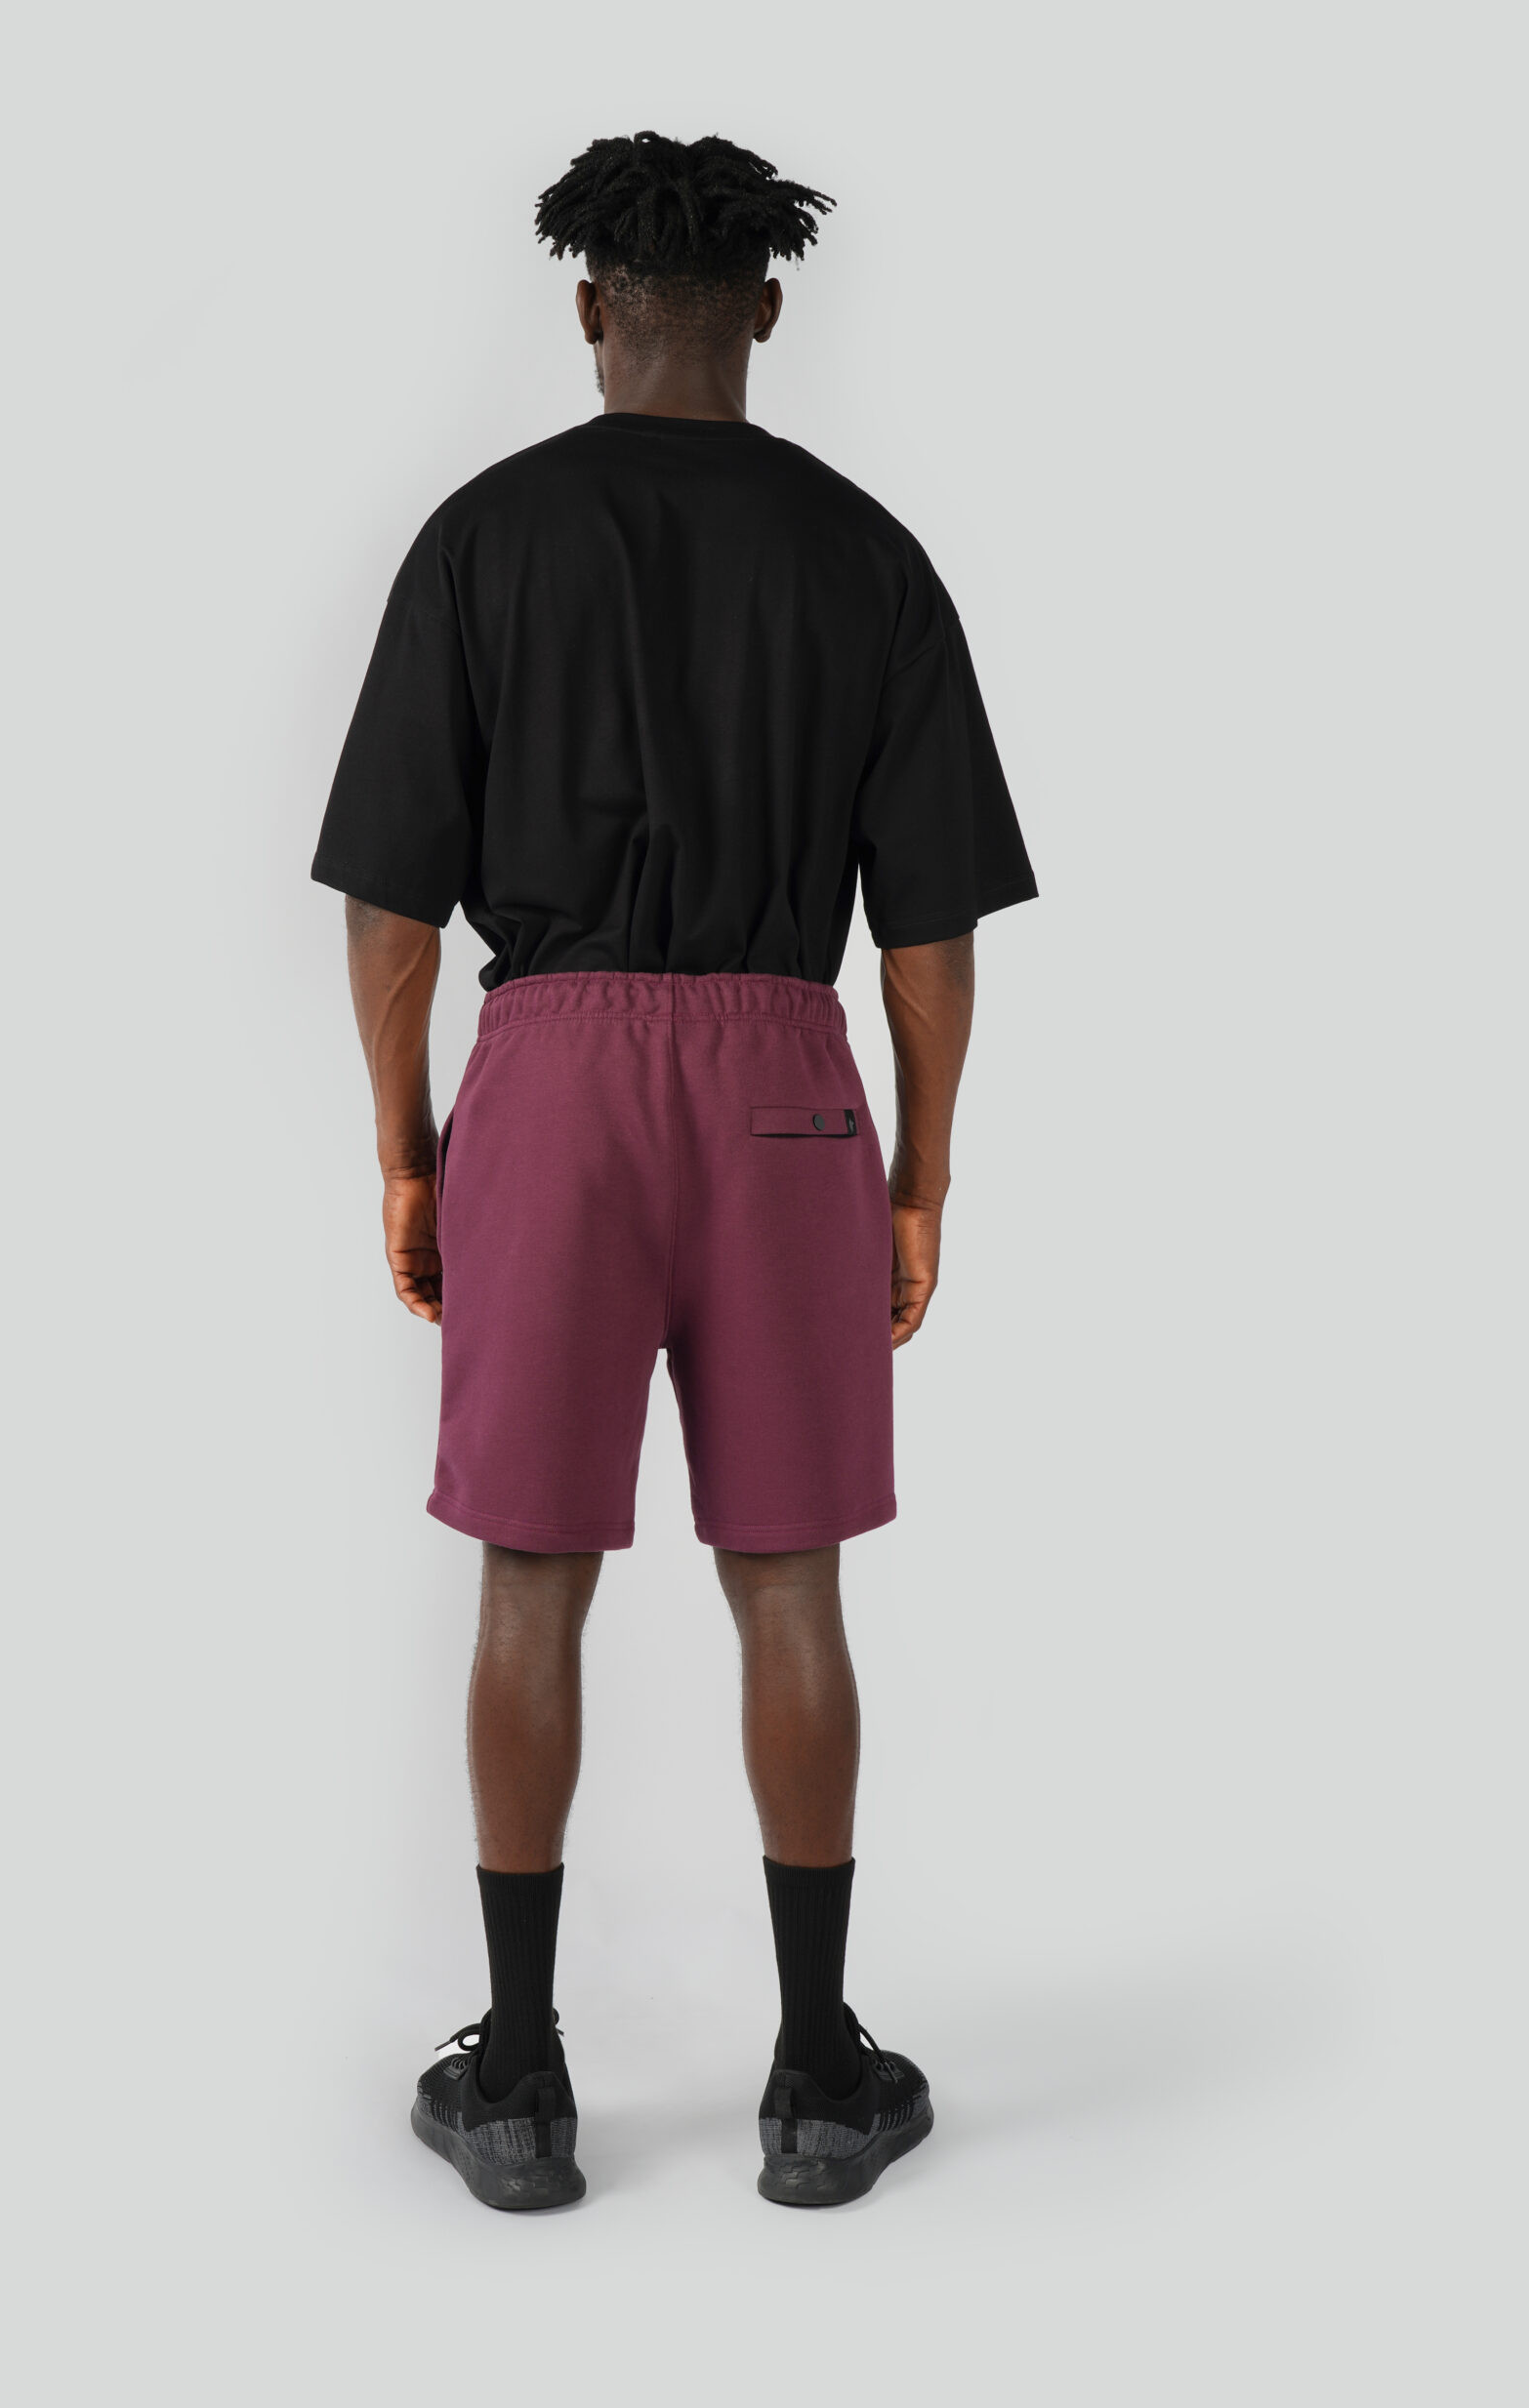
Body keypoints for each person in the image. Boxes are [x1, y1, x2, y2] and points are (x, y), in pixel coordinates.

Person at [311, 131, 1035, 2210]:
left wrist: (407, 1146)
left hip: (547, 1076)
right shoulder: (866, 556)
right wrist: (920, 1175)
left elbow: (389, 904)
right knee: (787, 1576)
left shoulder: (482, 537)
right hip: (786, 1079)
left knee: (530, 1570)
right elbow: (926, 937)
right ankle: (815, 2074)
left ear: (586, 308)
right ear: (766, 312)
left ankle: (519, 2076)